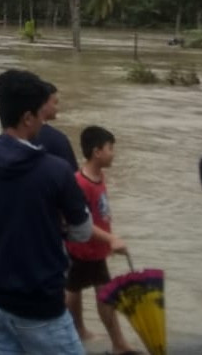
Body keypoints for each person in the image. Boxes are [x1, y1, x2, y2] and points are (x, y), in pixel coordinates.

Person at [0, 69, 92, 355]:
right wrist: (56, 225)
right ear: (27, 118)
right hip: (40, 305)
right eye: (40, 113)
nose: (42, 120)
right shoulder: (55, 170)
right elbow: (83, 231)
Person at [65, 126, 135, 355]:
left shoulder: (98, 177)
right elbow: (80, 221)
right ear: (97, 152)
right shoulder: (81, 183)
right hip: (84, 248)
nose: (113, 153)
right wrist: (111, 238)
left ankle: (77, 332)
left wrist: (109, 242)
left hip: (95, 248)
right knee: (103, 292)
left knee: (75, 288)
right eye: (110, 148)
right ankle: (118, 344)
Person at [35, 84, 78, 169]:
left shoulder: (20, 135)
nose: (57, 108)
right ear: (43, 105)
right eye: (55, 103)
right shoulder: (58, 139)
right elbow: (72, 175)